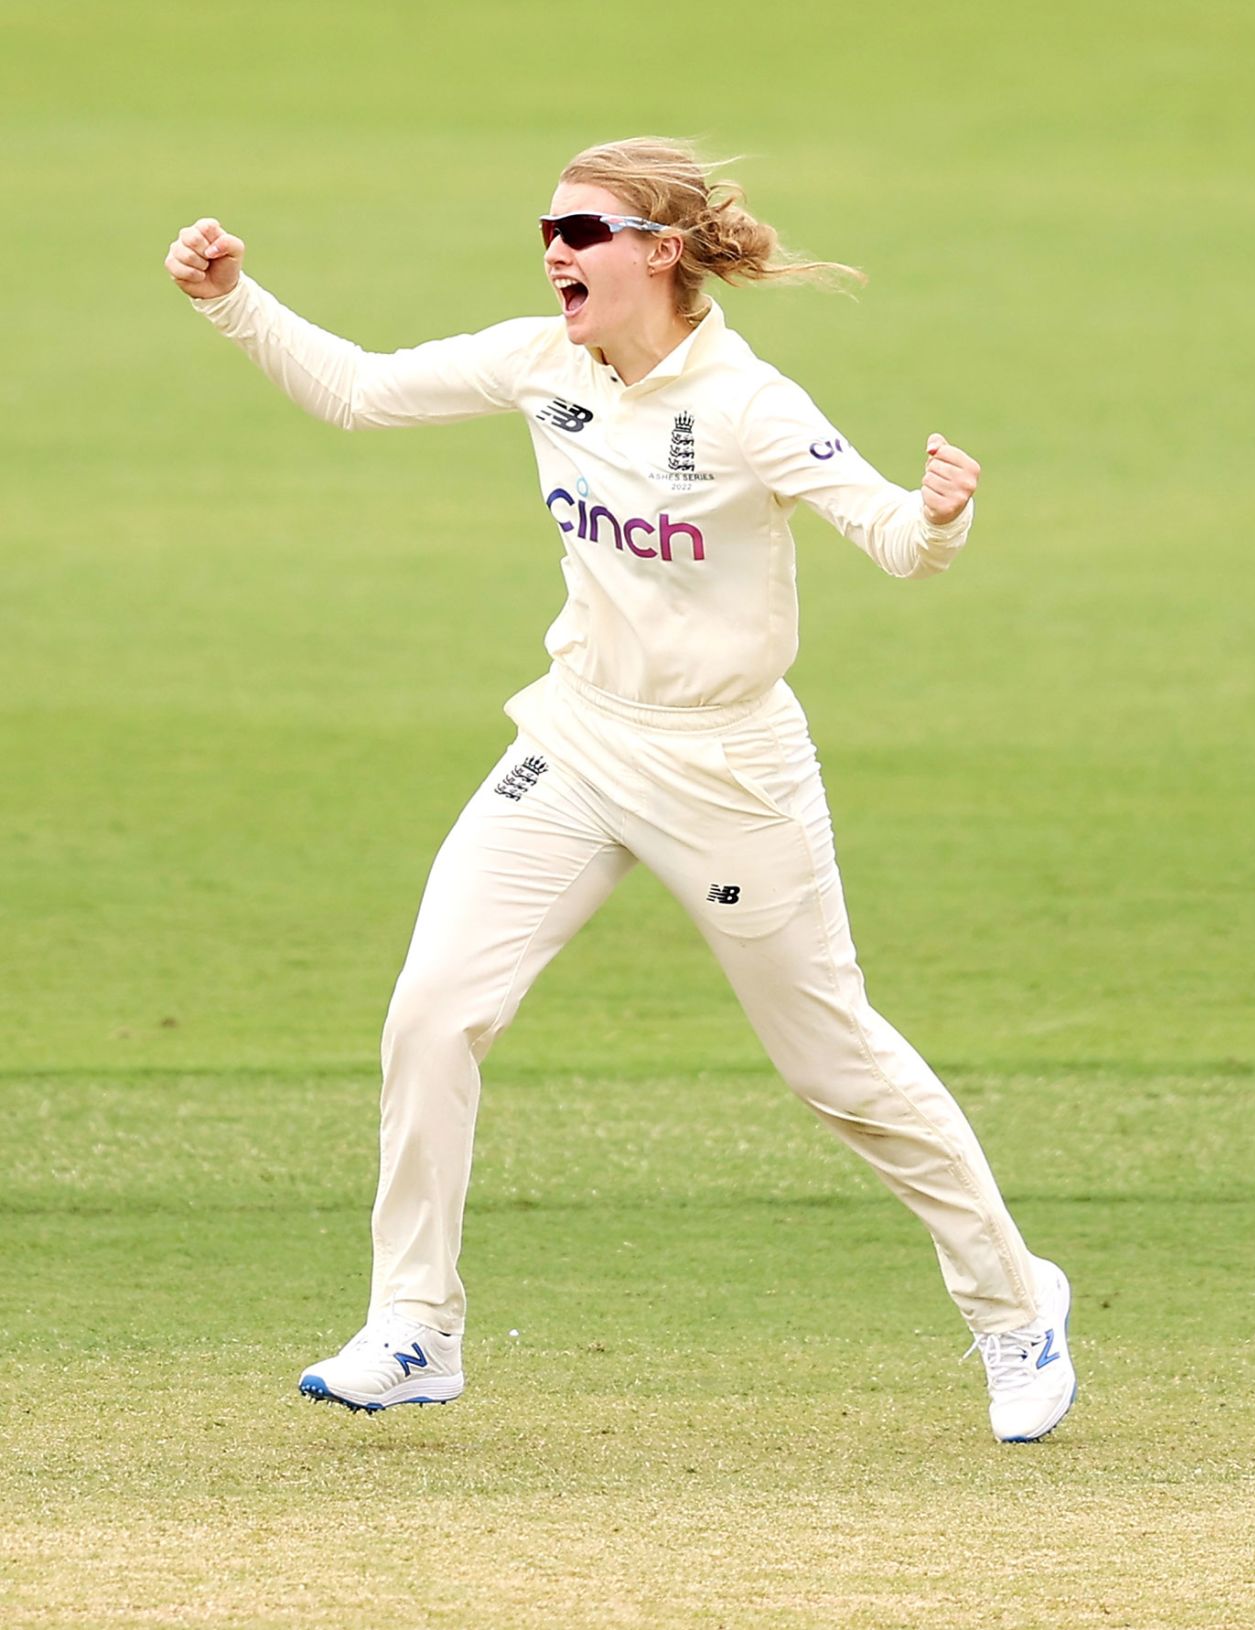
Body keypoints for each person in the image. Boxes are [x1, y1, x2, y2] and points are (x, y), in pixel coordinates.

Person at [164, 136, 1076, 1442]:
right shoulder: (548, 360)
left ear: (662, 248)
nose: (555, 250)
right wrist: (231, 301)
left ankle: (1015, 1308)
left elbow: (890, 537)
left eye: (584, 230)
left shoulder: (750, 404)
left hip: (726, 766)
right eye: (547, 226)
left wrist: (939, 516)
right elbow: (360, 392)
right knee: (433, 1010)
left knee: (838, 1065)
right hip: (582, 735)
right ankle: (416, 1325)